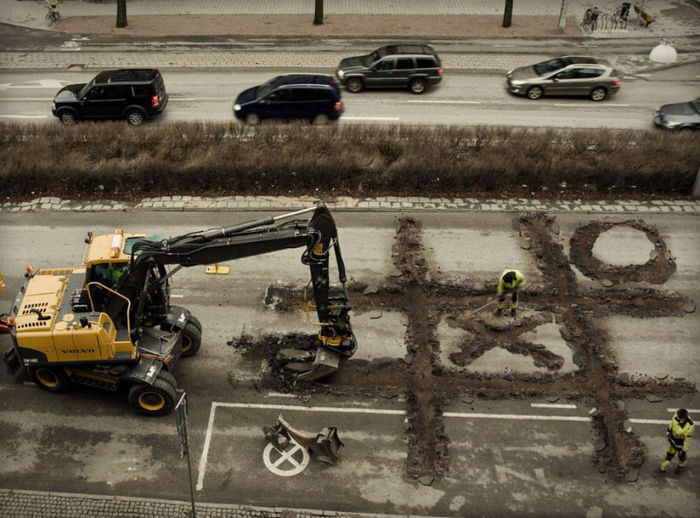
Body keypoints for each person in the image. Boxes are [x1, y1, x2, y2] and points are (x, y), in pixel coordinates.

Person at [660, 408, 694, 473]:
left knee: (681, 456)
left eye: (678, 417)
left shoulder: (690, 426)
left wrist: (685, 449)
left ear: (683, 419)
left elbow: (688, 438)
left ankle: (681, 466)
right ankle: (663, 467)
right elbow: (672, 422)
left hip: (681, 444)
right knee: (670, 453)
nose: (676, 417)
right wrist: (669, 430)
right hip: (673, 441)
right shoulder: (676, 415)